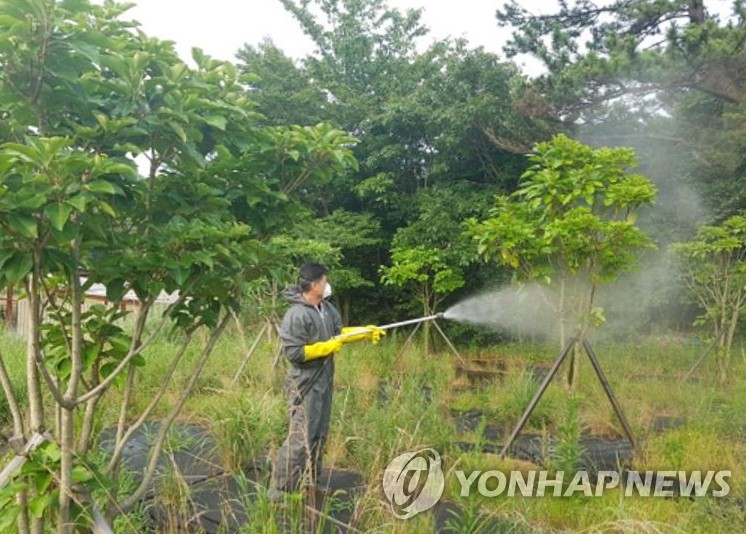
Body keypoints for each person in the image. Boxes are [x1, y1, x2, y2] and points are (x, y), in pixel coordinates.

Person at [269, 263, 384, 500]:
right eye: (324, 281)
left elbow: (339, 333)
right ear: (313, 285)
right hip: (305, 384)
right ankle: (280, 491)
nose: (327, 285)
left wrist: (363, 331)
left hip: (324, 381)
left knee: (319, 434)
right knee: (301, 436)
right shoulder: (296, 315)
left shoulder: (327, 309)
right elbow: (294, 353)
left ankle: (309, 482)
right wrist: (324, 348)